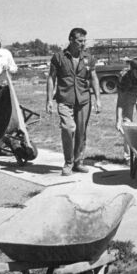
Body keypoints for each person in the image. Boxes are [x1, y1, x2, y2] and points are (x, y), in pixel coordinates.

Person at [46, 27, 101, 176]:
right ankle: (68, 162)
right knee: (68, 128)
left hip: (84, 99)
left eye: (84, 41)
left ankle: (78, 162)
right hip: (64, 99)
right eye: (79, 41)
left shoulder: (88, 58)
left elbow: (94, 78)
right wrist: (49, 99)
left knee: (81, 132)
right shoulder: (58, 57)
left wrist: (97, 98)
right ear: (71, 39)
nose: (82, 44)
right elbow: (51, 78)